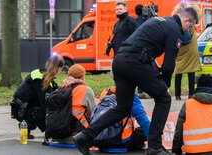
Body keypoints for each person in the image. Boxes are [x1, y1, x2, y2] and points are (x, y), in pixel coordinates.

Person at [73, 7, 199, 155]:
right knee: (164, 99)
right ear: (185, 20)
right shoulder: (175, 29)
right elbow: (169, 65)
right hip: (134, 62)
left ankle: (85, 136)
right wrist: (165, 85)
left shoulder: (159, 21)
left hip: (119, 61)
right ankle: (155, 146)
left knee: (123, 108)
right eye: (189, 26)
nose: (187, 30)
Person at [11, 55, 64, 139]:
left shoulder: (43, 75)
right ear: (58, 68)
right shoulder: (39, 79)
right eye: (61, 68)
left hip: (25, 107)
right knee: (46, 110)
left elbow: (56, 90)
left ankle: (28, 125)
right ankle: (47, 132)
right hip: (22, 110)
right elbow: (45, 103)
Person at [96, 84, 150, 153]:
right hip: (122, 142)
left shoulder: (105, 92)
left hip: (102, 140)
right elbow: (143, 120)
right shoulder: (129, 94)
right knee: (149, 129)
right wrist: (154, 144)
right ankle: (140, 145)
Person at [57, 64, 96, 144]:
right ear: (82, 77)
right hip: (78, 137)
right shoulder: (86, 90)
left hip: (60, 135)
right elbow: (93, 114)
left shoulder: (61, 89)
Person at [172, 2, 202, 100]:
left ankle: (177, 95)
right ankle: (191, 94)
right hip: (191, 48)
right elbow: (199, 12)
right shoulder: (191, 18)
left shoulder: (175, 19)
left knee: (178, 72)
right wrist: (191, 6)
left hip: (180, 48)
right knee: (191, 72)